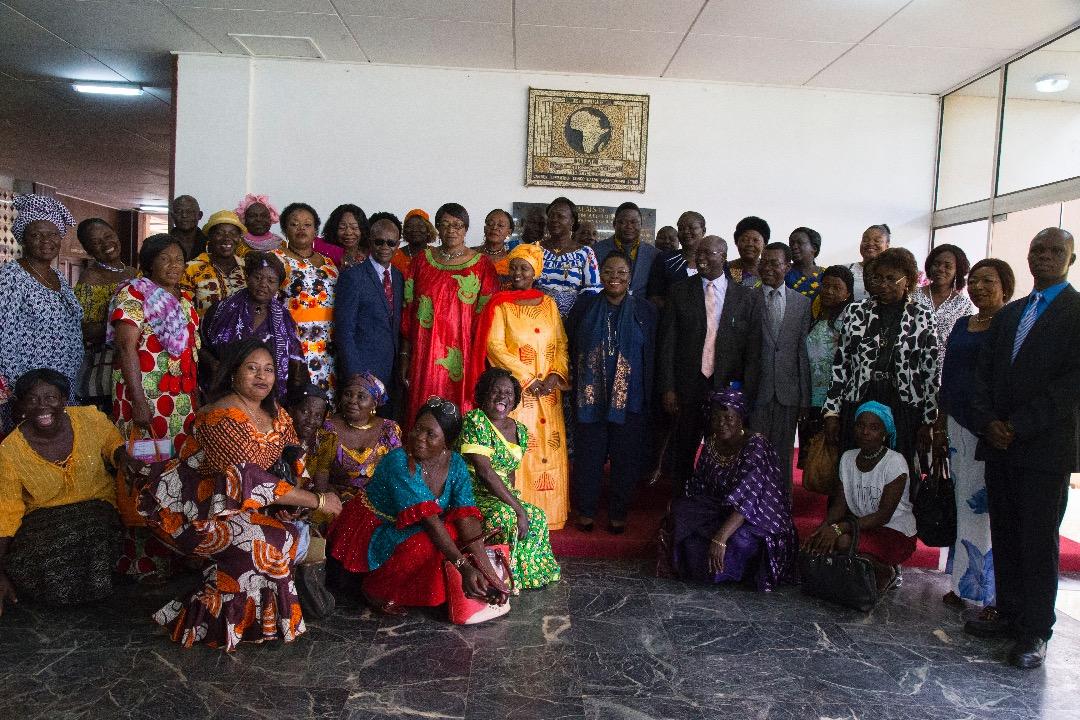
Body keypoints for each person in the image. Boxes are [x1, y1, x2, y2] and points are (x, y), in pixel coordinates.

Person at [139, 340, 342, 650]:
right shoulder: (219, 415)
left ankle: (250, 622)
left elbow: (293, 464)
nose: (262, 376)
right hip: (200, 512)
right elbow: (247, 477)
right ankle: (210, 622)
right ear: (233, 373)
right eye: (252, 368)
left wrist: (292, 505)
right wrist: (319, 501)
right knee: (264, 540)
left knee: (281, 533)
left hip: (251, 508)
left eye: (268, 370)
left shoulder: (277, 414)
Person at [965, 228, 1080, 669]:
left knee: (1038, 541)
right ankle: (1010, 613)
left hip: (1044, 448)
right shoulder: (1011, 314)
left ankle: (1035, 631)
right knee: (1007, 533)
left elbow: (1070, 385)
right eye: (1038, 250)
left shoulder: (1076, 312)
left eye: (1055, 251)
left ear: (1071, 259)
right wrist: (989, 422)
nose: (1044, 256)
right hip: (1000, 444)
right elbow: (983, 375)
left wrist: (1018, 425)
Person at [328, 397, 500, 616]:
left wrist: (490, 575)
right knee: (427, 542)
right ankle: (376, 590)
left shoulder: (455, 463)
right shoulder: (398, 461)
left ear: (447, 442)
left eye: (430, 434)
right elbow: (430, 521)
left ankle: (424, 592)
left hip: (417, 526)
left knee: (454, 532)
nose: (419, 438)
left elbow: (465, 516)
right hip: (378, 527)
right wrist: (464, 567)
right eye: (417, 429)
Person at [0, 369, 137, 612]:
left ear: (64, 400)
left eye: (51, 398)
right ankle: (62, 599)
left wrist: (123, 457)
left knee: (92, 532)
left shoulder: (89, 419)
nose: (42, 406)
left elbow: (112, 442)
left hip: (95, 503)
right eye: (33, 399)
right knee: (29, 555)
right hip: (42, 514)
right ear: (21, 406)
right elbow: (7, 510)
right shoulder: (10, 450)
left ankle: (89, 597)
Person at [469, 243, 570, 529]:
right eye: (513, 267)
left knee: (549, 447)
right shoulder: (500, 304)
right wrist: (527, 378)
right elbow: (495, 346)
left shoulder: (548, 304)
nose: (517, 273)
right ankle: (519, 512)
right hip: (517, 393)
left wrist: (555, 375)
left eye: (524, 268)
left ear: (535, 272)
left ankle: (550, 513)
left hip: (548, 394)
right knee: (522, 448)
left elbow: (561, 342)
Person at [658, 235, 763, 496]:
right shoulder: (680, 291)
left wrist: (746, 392)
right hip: (688, 384)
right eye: (699, 253)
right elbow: (668, 343)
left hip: (727, 386)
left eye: (709, 253)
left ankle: (717, 501)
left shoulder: (745, 297)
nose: (701, 258)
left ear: (723, 257)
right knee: (684, 447)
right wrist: (668, 387)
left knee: (725, 449)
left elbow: (752, 350)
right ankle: (681, 501)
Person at [937, 258, 1014, 612]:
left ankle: (991, 593)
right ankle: (960, 584)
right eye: (975, 281)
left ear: (1005, 287)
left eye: (988, 281)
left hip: (991, 430)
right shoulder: (962, 324)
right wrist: (940, 423)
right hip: (957, 426)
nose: (979, 287)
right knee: (964, 506)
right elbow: (949, 375)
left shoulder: (1011, 325)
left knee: (987, 510)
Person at [670, 387, 797, 590]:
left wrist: (720, 537)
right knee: (682, 514)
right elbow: (698, 487)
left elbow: (748, 499)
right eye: (716, 418)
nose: (721, 424)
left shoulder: (756, 446)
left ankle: (730, 569)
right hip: (721, 509)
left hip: (757, 516)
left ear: (740, 418)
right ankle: (710, 565)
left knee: (738, 541)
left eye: (728, 418)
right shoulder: (711, 444)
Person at [567, 251, 657, 533]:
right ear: (600, 274)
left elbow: (653, 353)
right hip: (589, 398)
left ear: (630, 276)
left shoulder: (646, 311)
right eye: (608, 271)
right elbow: (569, 344)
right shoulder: (584, 307)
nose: (614, 277)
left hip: (631, 400)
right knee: (588, 457)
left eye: (621, 272)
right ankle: (586, 511)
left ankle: (618, 513)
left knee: (625, 459)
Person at [823, 247, 940, 463]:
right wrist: (832, 412)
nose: (883, 284)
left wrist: (929, 420)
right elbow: (841, 365)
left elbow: (931, 371)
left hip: (903, 404)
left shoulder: (922, 315)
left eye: (891, 279)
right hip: (860, 398)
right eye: (878, 278)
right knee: (855, 463)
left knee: (899, 466)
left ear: (908, 280)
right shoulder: (856, 311)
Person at [458, 368, 561, 589]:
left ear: (514, 400)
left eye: (508, 393)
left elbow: (510, 471)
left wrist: (517, 503)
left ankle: (528, 576)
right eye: (496, 391)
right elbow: (485, 472)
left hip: (501, 495)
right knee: (505, 516)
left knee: (537, 515)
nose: (502, 397)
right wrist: (517, 508)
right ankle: (501, 577)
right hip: (473, 493)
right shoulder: (475, 421)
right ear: (484, 394)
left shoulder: (519, 430)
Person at [400, 203, 498, 429]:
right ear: (437, 228)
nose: (451, 230)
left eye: (457, 225)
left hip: (464, 353)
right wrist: (405, 355)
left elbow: (488, 318)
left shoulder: (482, 265)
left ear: (466, 229)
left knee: (462, 411)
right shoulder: (421, 261)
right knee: (424, 410)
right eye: (444, 225)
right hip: (426, 352)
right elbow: (408, 311)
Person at [803, 402, 916, 593]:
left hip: (895, 532)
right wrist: (822, 529)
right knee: (829, 543)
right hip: (864, 528)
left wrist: (839, 528)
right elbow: (839, 506)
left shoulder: (895, 462)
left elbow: (883, 515)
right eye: (860, 425)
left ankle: (888, 571)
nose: (865, 432)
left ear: (885, 433)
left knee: (843, 542)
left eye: (874, 427)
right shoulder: (848, 458)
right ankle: (868, 570)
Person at [109, 234, 200, 456]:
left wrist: (195, 394)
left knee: (179, 457)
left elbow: (191, 351)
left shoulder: (185, 299)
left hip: (181, 394)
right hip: (145, 394)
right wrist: (139, 401)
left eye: (179, 260)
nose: (174, 265)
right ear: (150, 262)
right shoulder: (134, 294)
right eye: (165, 259)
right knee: (146, 458)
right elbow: (125, 348)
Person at [0, 194, 83, 432]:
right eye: (36, 235)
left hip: (62, 385)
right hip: (32, 392)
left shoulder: (57, 277)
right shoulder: (12, 277)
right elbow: (3, 337)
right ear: (23, 239)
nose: (46, 241)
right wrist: (20, 390)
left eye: (53, 234)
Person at [751, 242, 812, 497]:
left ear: (787, 267)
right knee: (753, 452)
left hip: (788, 392)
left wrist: (805, 399)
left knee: (783, 453)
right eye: (763, 262)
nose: (767, 267)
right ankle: (751, 505)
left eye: (774, 263)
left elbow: (802, 353)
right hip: (756, 389)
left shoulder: (802, 303)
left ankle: (781, 504)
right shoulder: (747, 297)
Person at [201, 251, 305, 399]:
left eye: (271, 281)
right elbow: (199, 345)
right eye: (257, 277)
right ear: (247, 277)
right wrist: (213, 364)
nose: (263, 284)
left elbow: (296, 364)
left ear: (278, 285)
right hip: (224, 393)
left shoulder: (284, 319)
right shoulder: (221, 310)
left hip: (267, 397)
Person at [335, 213, 405, 414]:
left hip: (391, 373)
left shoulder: (398, 277)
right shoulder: (352, 276)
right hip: (362, 372)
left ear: (398, 244)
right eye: (379, 241)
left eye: (391, 243)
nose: (385, 247)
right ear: (369, 241)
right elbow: (344, 331)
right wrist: (356, 376)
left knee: (386, 426)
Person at [273, 202, 338, 401]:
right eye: (294, 224)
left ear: (316, 230)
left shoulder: (329, 263)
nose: (301, 229)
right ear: (284, 230)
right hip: (294, 342)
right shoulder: (276, 259)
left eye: (307, 224)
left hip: (328, 345)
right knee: (298, 398)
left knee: (326, 398)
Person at [72, 218, 137, 411]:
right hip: (106, 362)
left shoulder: (134, 272)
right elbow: (82, 330)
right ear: (88, 250)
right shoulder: (90, 278)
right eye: (96, 242)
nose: (106, 244)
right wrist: (121, 325)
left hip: (135, 355)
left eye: (108, 236)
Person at [312, 372, 401, 503]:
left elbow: (395, 473)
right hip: (336, 500)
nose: (352, 401)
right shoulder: (328, 428)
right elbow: (320, 473)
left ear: (374, 403)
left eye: (361, 397)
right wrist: (329, 501)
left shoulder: (389, 429)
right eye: (348, 394)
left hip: (376, 501)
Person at [798, 265, 854, 467]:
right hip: (811, 397)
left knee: (832, 457)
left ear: (848, 293)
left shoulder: (849, 320)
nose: (829, 291)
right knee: (813, 457)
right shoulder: (813, 315)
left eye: (836, 288)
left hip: (835, 399)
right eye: (826, 285)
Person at [537, 197, 601, 317]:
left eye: (560, 216)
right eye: (551, 216)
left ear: (572, 221)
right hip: (536, 318)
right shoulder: (533, 249)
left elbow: (593, 290)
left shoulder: (585, 253)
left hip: (573, 320)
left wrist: (572, 317)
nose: (554, 220)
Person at [917, 243, 973, 369]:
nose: (940, 269)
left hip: (946, 368)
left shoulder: (964, 305)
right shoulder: (913, 296)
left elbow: (963, 341)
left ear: (957, 271)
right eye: (936, 264)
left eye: (948, 266)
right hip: (910, 366)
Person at [181, 210, 247, 317]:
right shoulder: (191, 268)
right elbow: (184, 311)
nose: (227, 238)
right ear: (210, 236)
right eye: (219, 233)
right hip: (204, 328)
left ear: (239, 238)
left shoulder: (247, 267)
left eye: (233, 233)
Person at [593, 202, 659, 296]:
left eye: (634, 222)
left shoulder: (654, 254)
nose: (629, 226)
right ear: (614, 224)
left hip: (641, 304)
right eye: (623, 222)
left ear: (641, 225)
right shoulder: (595, 251)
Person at [647, 210, 705, 308]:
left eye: (691, 227)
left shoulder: (714, 260)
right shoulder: (664, 259)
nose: (686, 232)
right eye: (681, 228)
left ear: (703, 231)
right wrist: (679, 311)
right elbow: (653, 296)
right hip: (671, 316)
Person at [285, 382, 329, 460]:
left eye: (318, 416)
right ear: (291, 411)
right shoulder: (276, 442)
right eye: (305, 412)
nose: (311, 421)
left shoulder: (321, 445)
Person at [318, 203, 368, 269]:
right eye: (342, 227)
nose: (348, 233)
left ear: (363, 229)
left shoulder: (371, 254)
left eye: (354, 227)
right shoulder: (321, 252)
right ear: (333, 229)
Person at [474, 208, 516, 286]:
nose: (494, 228)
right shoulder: (471, 254)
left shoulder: (513, 259)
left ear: (509, 232)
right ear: (484, 228)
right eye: (490, 224)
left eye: (500, 225)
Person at [848, 224, 890, 301]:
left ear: (887, 246)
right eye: (865, 240)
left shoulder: (894, 274)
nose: (870, 243)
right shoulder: (846, 269)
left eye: (877, 240)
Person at [392, 208, 436, 276]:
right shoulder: (394, 256)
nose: (415, 230)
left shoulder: (437, 255)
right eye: (410, 226)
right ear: (405, 231)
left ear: (428, 230)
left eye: (420, 226)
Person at [785, 227, 824, 304]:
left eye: (800, 243)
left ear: (814, 248)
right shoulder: (783, 271)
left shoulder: (826, 275)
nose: (794, 247)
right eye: (791, 244)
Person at [727, 216, 769, 288]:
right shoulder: (726, 268)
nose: (750, 244)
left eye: (755, 240)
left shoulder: (768, 270)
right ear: (736, 243)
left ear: (764, 244)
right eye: (745, 240)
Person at [168, 194, 207, 260]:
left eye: (189, 211)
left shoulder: (210, 244)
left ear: (199, 215)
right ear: (172, 216)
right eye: (179, 211)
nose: (184, 215)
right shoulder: (161, 244)